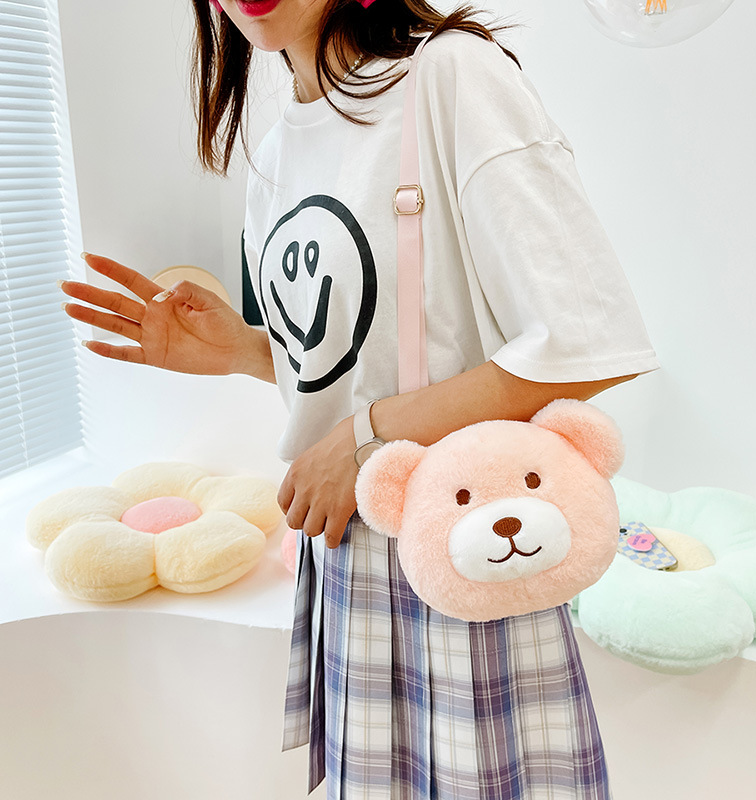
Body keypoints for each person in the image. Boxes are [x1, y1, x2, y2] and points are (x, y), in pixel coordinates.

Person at [59, 1, 659, 797]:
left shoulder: (448, 77)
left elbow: (583, 345)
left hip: (459, 543)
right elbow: (352, 368)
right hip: (345, 560)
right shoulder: (276, 154)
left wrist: (366, 438)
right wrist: (246, 350)